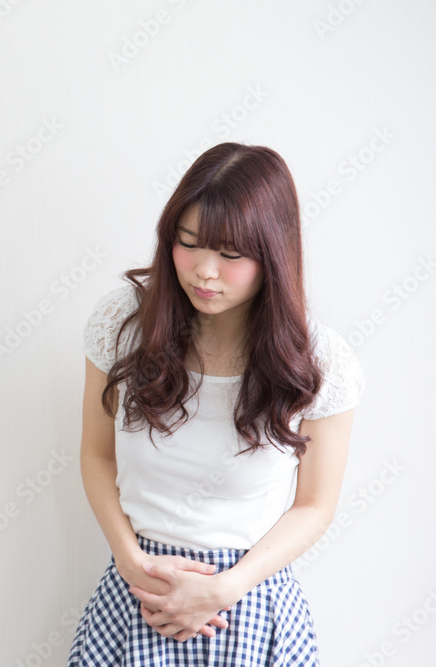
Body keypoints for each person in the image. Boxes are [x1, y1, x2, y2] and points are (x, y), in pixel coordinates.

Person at [66, 142, 366, 666]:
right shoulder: (124, 326)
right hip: (136, 593)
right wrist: (130, 560)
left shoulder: (321, 361)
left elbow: (315, 506)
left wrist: (224, 588)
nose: (205, 271)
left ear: (273, 254)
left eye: (231, 255)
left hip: (247, 604)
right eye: (189, 244)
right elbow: (97, 454)